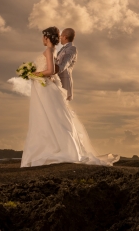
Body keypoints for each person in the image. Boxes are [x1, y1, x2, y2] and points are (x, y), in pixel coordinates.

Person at [20, 26, 118, 168]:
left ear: (48, 37)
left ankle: (62, 149)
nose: (60, 38)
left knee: (55, 116)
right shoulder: (56, 50)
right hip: (47, 85)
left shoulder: (66, 50)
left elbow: (55, 68)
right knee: (49, 116)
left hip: (50, 84)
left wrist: (36, 74)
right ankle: (53, 146)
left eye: (43, 37)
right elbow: (52, 67)